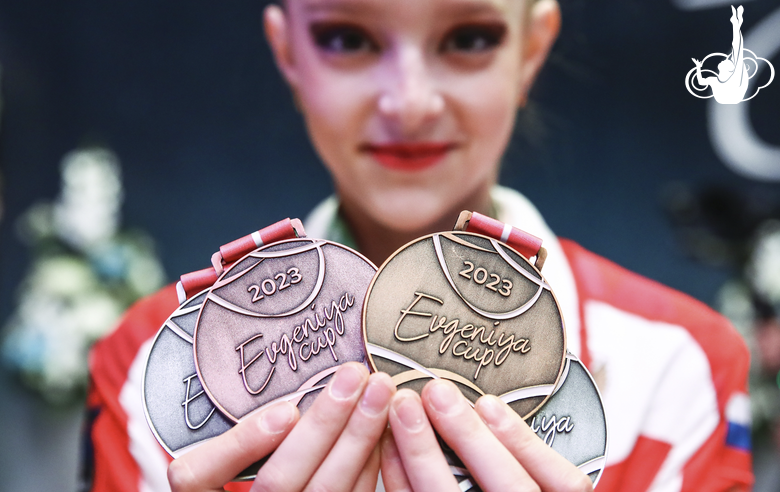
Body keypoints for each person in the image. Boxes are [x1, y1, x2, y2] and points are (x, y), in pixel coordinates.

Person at [81, 0, 753, 491]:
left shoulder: (679, 363)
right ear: (288, 52)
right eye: (348, 37)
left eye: (469, 37)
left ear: (532, 48)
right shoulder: (150, 365)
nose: (409, 102)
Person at [692, 5, 749, 104]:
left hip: (731, 98)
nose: (724, 59)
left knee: (737, 50)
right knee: (737, 50)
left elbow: (737, 48)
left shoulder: (733, 77)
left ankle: (736, 23)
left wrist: (736, 25)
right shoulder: (715, 80)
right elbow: (701, 82)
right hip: (727, 100)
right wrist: (698, 67)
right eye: (726, 61)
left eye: (726, 61)